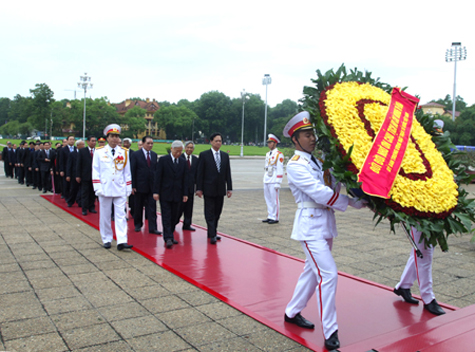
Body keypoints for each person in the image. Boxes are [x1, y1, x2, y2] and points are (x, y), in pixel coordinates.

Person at [282, 111, 367, 351]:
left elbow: (333, 186)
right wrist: (347, 203)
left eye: (312, 134)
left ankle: (291, 312)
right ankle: (331, 331)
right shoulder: (296, 165)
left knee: (311, 272)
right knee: (328, 274)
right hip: (310, 227)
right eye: (306, 135)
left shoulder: (318, 161)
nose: (312, 138)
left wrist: (359, 200)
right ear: (295, 140)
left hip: (325, 223)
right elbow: (319, 193)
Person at [92, 124, 133, 251]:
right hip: (105, 188)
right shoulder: (99, 152)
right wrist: (97, 187)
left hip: (119, 188)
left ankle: (122, 240)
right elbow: (95, 171)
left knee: (121, 215)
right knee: (105, 215)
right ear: (107, 138)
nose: (115, 139)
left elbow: (127, 172)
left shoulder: (124, 152)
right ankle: (106, 238)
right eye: (112, 136)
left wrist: (128, 188)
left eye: (116, 136)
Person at [393, 226, 445, 315]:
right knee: (424, 252)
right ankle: (428, 298)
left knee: (425, 248)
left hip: (432, 217)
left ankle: (404, 286)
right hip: (418, 216)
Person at [196, 132, 232, 244]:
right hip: (208, 189)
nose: (218, 143)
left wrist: (229, 188)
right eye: (216, 141)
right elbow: (200, 173)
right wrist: (199, 188)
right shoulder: (204, 155)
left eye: (220, 141)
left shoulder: (225, 156)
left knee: (217, 212)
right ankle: (212, 234)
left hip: (220, 189)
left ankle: (213, 231)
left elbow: (227, 173)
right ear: (211, 142)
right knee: (209, 212)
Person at [153, 140, 188, 248]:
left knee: (175, 216)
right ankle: (168, 237)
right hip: (165, 193)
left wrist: (185, 194)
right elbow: (158, 177)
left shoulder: (183, 161)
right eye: (177, 151)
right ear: (172, 149)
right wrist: (156, 191)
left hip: (178, 193)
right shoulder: (163, 160)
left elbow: (185, 179)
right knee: (166, 216)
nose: (178, 154)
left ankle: (170, 233)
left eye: (180, 152)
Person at [131, 135, 160, 234]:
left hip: (151, 187)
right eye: (148, 143)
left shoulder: (154, 155)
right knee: (138, 206)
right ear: (143, 144)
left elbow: (156, 171)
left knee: (152, 208)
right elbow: (133, 170)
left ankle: (153, 227)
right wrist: (133, 185)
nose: (150, 145)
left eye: (152, 143)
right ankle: (138, 224)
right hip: (139, 186)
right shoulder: (136, 155)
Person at [262, 134, 284, 224]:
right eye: (268, 143)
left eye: (270, 142)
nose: (269, 144)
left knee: (274, 199)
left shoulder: (279, 155)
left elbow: (280, 168)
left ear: (275, 143)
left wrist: (278, 182)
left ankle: (275, 217)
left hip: (274, 178)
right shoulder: (268, 154)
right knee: (268, 198)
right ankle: (270, 215)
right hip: (267, 177)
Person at [178, 141, 199, 231]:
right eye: (188, 147)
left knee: (189, 208)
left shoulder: (195, 159)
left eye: (191, 148)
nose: (189, 149)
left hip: (190, 187)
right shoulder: (179, 158)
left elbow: (197, 174)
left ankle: (187, 224)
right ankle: (174, 222)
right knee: (179, 207)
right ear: (184, 148)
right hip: (180, 188)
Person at [76, 136, 97, 215]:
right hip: (85, 175)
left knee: (93, 193)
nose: (94, 142)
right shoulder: (82, 151)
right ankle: (84, 209)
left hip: (95, 176)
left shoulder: (98, 151)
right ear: (88, 142)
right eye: (92, 141)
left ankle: (91, 207)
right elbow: (78, 164)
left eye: (95, 141)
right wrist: (78, 175)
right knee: (85, 193)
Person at [66, 140, 84, 207]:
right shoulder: (72, 154)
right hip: (74, 174)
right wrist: (68, 175)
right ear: (78, 145)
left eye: (84, 144)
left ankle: (80, 202)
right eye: (82, 145)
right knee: (74, 189)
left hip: (83, 174)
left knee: (82, 190)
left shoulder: (84, 153)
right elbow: (69, 165)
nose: (83, 146)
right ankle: (70, 201)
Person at [59, 135, 77, 200]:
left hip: (74, 169)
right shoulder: (63, 150)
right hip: (66, 169)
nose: (72, 141)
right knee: (66, 184)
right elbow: (61, 161)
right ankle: (66, 196)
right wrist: (61, 170)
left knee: (74, 185)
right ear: (67, 140)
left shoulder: (76, 149)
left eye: (73, 139)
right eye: (70, 139)